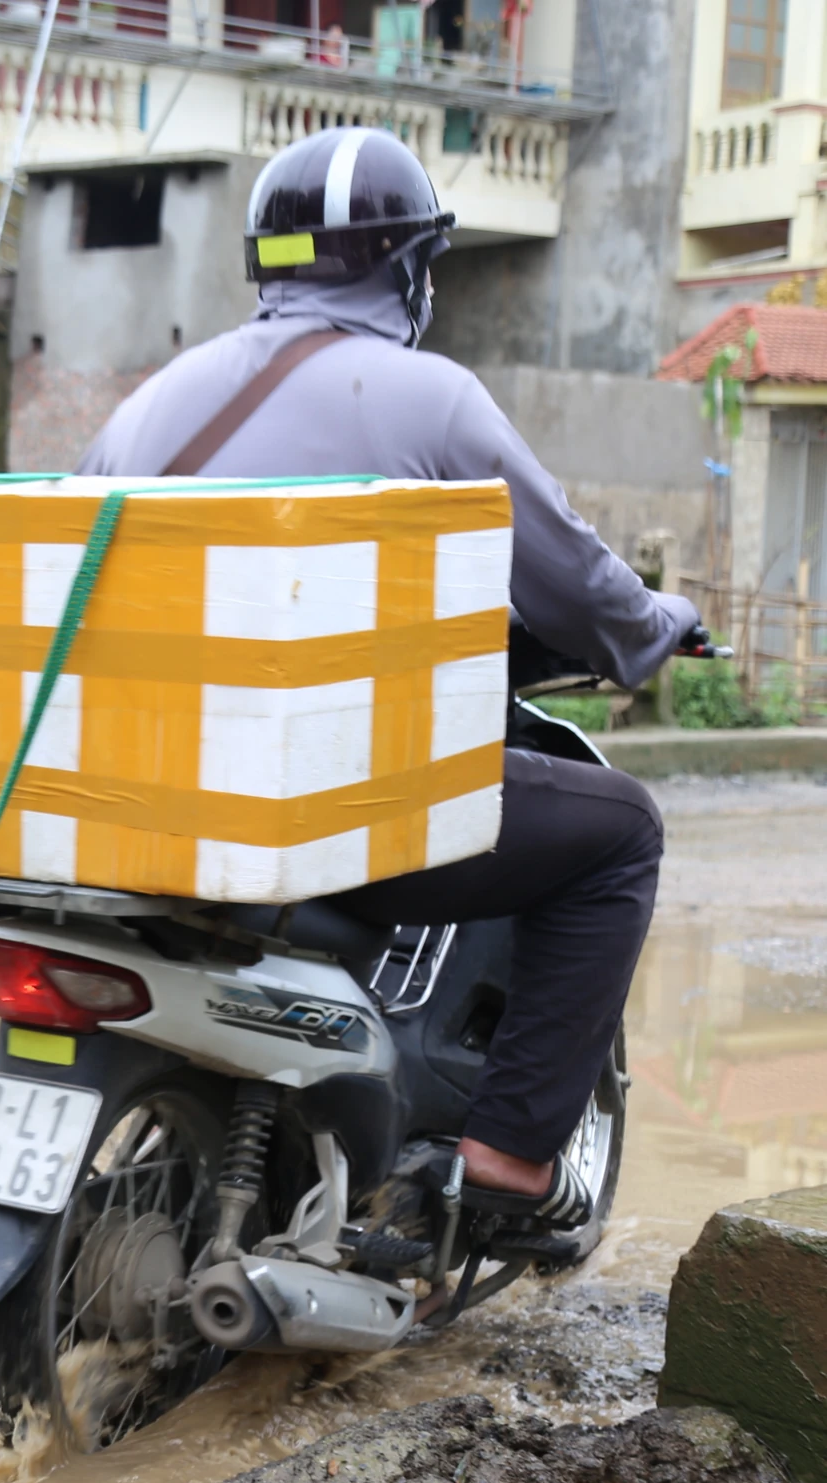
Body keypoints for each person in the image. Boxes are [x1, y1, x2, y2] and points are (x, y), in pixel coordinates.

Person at [78, 126, 702, 1224]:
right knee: (620, 834)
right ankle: (510, 1155)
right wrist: (658, 626)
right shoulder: (429, 398)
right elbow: (570, 575)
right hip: (322, 819)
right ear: (408, 267)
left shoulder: (150, 402)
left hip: (132, 802)